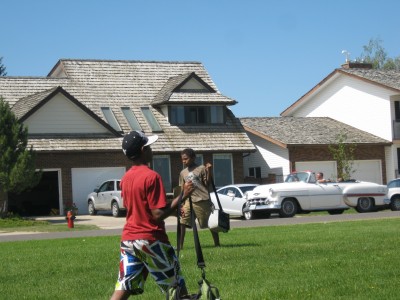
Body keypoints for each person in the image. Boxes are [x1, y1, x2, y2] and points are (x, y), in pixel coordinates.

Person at [111, 131, 194, 300]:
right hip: (151, 241)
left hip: (129, 241)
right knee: (177, 289)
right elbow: (157, 215)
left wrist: (175, 206)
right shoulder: (152, 176)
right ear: (143, 150)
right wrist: (183, 196)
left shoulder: (125, 179)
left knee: (123, 288)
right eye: (149, 146)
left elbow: (135, 208)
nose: (152, 149)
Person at [178, 148, 220, 249]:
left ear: (193, 158)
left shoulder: (201, 168)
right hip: (188, 201)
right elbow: (182, 188)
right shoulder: (183, 173)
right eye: (182, 159)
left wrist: (209, 170)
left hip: (202, 200)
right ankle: (180, 246)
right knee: (182, 222)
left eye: (186, 159)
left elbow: (207, 184)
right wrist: (181, 202)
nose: (184, 161)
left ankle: (217, 244)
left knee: (210, 224)